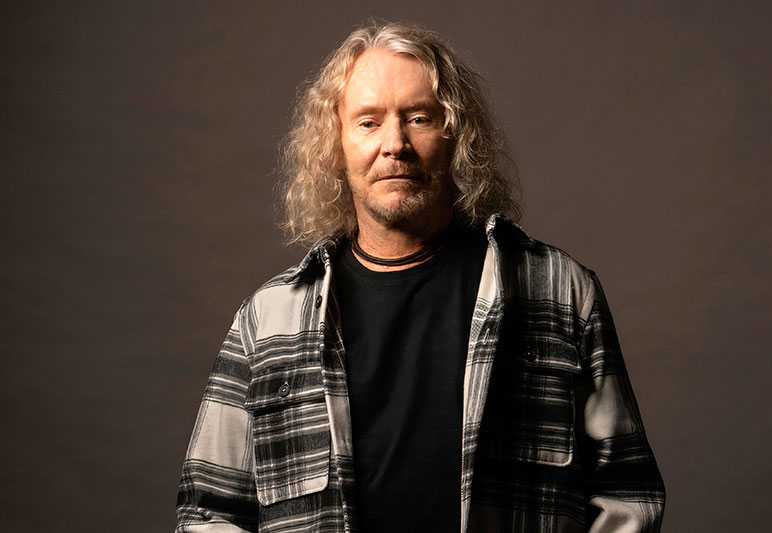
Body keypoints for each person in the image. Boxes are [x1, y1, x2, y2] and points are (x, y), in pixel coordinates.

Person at [176, 21, 665, 533]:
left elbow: (628, 497)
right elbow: (206, 513)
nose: (395, 144)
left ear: (457, 136)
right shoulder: (267, 320)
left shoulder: (557, 290)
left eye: (419, 118)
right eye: (368, 122)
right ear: (335, 146)